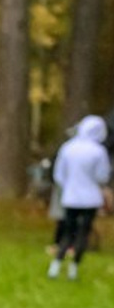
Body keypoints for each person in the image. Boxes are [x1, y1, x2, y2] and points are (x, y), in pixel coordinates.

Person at [47, 113, 110, 281]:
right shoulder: (98, 151)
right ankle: (73, 268)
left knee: (68, 230)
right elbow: (102, 176)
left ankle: (56, 265)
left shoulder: (68, 148)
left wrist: (69, 186)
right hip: (90, 198)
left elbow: (59, 175)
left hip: (71, 196)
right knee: (83, 232)